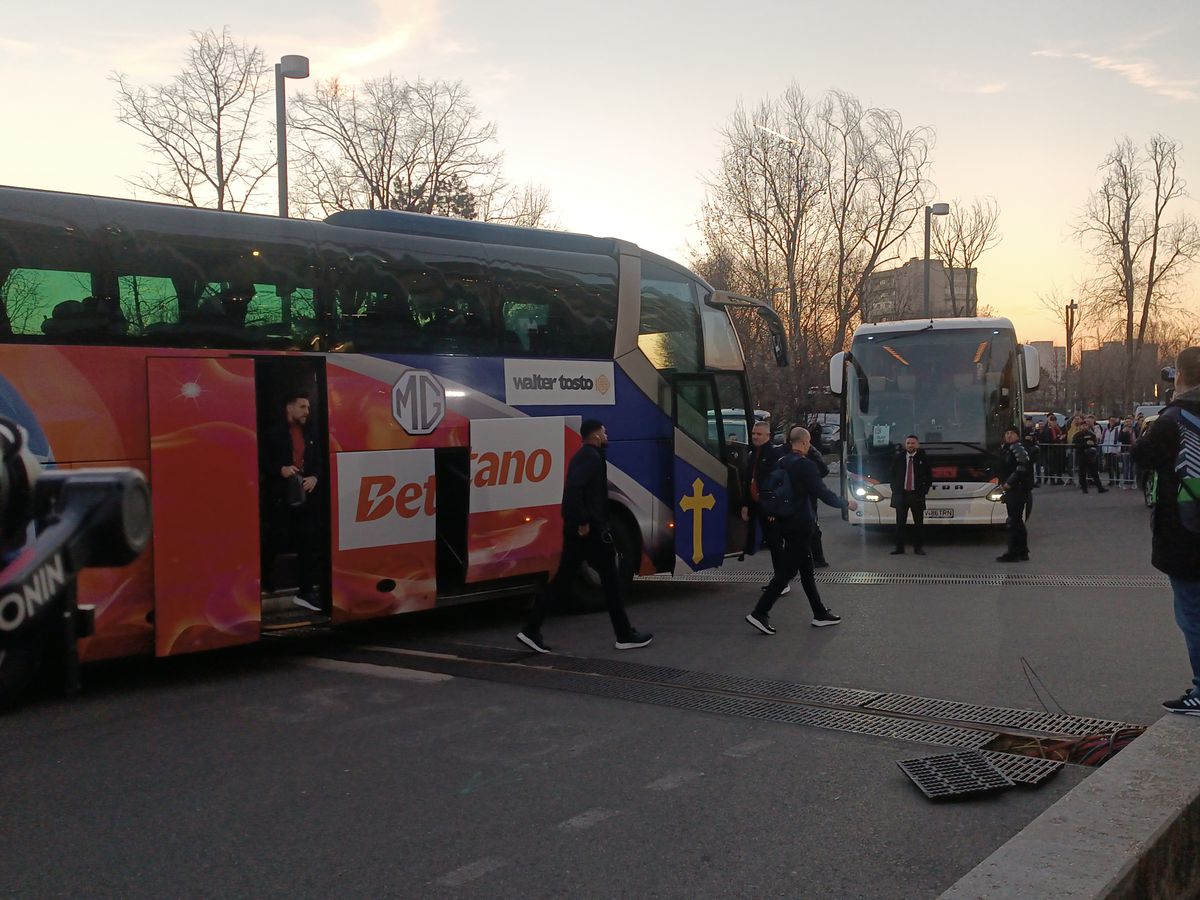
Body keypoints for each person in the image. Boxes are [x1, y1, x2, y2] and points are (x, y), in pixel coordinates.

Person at [518, 419, 652, 653]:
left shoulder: (589, 457)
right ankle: (624, 635)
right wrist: (583, 522)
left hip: (584, 531)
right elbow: (573, 490)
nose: (607, 434)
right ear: (596, 435)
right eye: (604, 431)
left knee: (567, 580)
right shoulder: (589, 458)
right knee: (610, 581)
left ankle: (531, 629)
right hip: (588, 532)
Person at [1132, 348, 1200, 714]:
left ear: (1181, 376)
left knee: (1193, 613)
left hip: (1187, 533)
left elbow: (1142, 456)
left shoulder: (1173, 418)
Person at [745, 426, 857, 635]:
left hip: (785, 522)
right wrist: (846, 504)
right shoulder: (805, 466)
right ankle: (760, 612)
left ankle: (819, 613)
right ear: (805, 443)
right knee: (787, 572)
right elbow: (821, 492)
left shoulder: (782, 462)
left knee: (807, 571)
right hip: (801, 525)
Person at [263, 391, 324, 612]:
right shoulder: (273, 433)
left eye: (308, 407)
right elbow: (260, 460)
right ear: (290, 408)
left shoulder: (312, 434)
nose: (307, 411)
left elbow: (320, 461)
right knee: (275, 538)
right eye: (302, 407)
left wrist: (315, 477)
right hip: (281, 495)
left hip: (305, 496)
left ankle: (306, 591)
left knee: (307, 542)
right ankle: (265, 579)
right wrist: (280, 469)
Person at [740, 420, 786, 574]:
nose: (755, 437)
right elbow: (749, 480)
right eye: (753, 433)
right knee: (768, 541)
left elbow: (779, 483)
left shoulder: (774, 454)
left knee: (775, 543)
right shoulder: (753, 454)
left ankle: (782, 579)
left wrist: (774, 509)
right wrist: (746, 504)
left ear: (768, 435)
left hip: (769, 507)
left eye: (759, 434)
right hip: (757, 505)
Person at [889, 435, 932, 555]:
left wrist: (924, 490)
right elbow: (892, 475)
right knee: (900, 524)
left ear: (917, 445)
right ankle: (899, 548)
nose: (910, 445)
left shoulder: (923, 458)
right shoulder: (898, 458)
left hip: (916, 495)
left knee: (918, 523)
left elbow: (929, 477)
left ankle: (918, 548)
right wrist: (895, 489)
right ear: (905, 444)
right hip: (901, 495)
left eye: (913, 443)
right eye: (908, 443)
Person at [996, 427, 1033, 562]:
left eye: (1011, 433)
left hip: (1017, 489)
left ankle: (1014, 552)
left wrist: (1008, 483)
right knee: (1016, 521)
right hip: (1014, 489)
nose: (1008, 435)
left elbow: (1022, 467)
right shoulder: (1008, 448)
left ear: (1017, 435)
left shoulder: (1017, 448)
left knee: (1013, 521)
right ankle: (1021, 550)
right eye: (1006, 433)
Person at [1073, 422, 1107, 493]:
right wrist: (1085, 444)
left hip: (1091, 457)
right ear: (1080, 426)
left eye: (1086, 425)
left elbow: (1095, 443)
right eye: (1083, 425)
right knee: (1082, 473)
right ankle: (1084, 488)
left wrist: (1093, 444)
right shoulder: (1077, 435)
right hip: (1081, 456)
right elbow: (1075, 445)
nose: (1084, 427)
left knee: (1094, 473)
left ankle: (1100, 488)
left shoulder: (1091, 434)